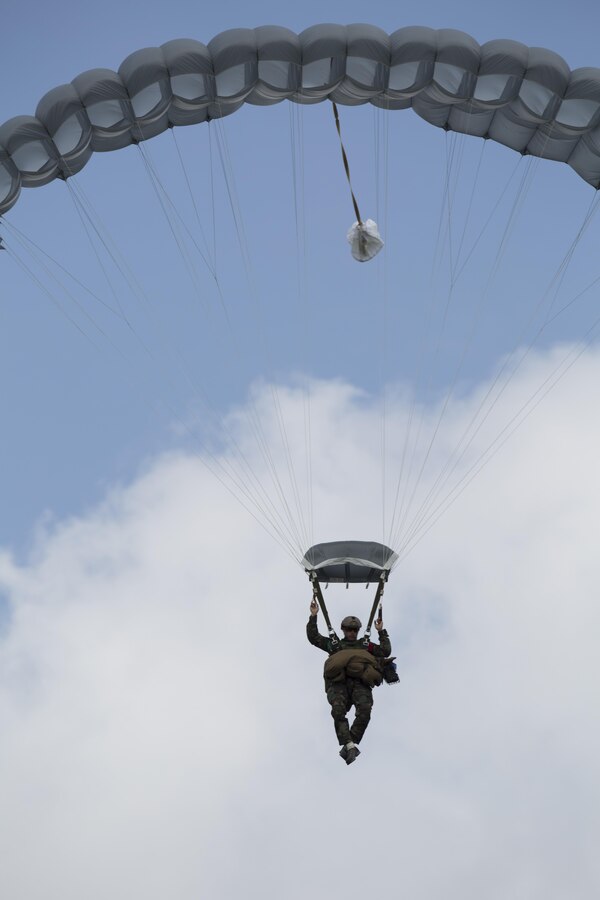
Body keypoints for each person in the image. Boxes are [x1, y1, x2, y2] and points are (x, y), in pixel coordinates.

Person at [307, 596, 392, 765]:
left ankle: (349, 743)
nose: (352, 633)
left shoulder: (365, 645)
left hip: (359, 683)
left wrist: (381, 631)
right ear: (343, 630)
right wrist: (314, 616)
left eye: (354, 630)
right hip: (339, 683)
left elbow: (385, 651)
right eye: (349, 630)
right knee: (338, 710)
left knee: (365, 711)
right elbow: (314, 637)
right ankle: (349, 744)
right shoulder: (335, 644)